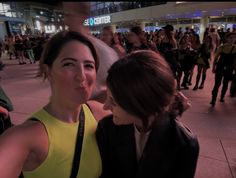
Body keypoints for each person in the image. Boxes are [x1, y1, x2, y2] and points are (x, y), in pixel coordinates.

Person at [0, 31, 110, 178]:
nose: (81, 75)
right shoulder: (23, 137)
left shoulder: (98, 112)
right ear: (48, 71)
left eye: (89, 66)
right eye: (69, 64)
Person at [96, 50, 199, 178]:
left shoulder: (183, 143)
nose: (105, 106)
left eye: (114, 101)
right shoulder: (107, 128)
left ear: (142, 104)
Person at [63, 2, 119, 103]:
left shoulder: (104, 51)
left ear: (83, 16)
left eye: (69, 14)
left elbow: (109, 89)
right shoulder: (66, 47)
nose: (65, 20)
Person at [210, 32, 236, 107]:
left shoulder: (235, 48)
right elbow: (216, 58)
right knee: (217, 84)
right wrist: (213, 67)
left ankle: (222, 96)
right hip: (220, 67)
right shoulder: (222, 47)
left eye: (234, 38)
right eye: (231, 38)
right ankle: (213, 99)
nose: (232, 39)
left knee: (225, 83)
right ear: (227, 38)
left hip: (229, 68)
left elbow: (235, 60)